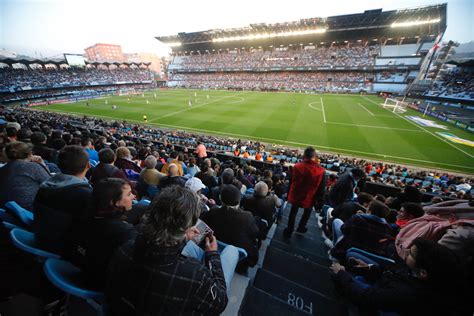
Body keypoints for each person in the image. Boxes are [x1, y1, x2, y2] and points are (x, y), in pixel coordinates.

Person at [106, 186, 233, 315]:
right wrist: (213, 256)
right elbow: (220, 302)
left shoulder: (125, 249)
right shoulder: (195, 274)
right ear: (186, 226)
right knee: (231, 252)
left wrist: (183, 238)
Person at [330, 238, 470, 315]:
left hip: (375, 301)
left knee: (336, 275)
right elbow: (396, 273)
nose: (407, 252)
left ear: (423, 273)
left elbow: (366, 297)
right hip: (382, 289)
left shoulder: (409, 294)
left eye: (411, 254)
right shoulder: (417, 274)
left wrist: (342, 273)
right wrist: (370, 268)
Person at [67, 178, 137, 288]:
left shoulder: (83, 214)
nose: (133, 197)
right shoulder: (124, 231)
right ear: (113, 202)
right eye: (129, 194)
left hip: (75, 267)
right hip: (98, 283)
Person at [33, 145, 93, 254]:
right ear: (88, 165)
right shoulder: (86, 195)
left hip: (40, 238)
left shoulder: (46, 184)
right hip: (62, 249)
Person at [202, 185, 260, 269]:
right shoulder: (248, 217)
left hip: (214, 247)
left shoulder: (213, 211)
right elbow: (255, 233)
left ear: (221, 199)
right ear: (238, 200)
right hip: (233, 254)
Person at [284, 147, 326, 238]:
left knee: (293, 212)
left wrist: (288, 194)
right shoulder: (321, 171)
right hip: (310, 197)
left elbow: (291, 182)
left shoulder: (297, 166)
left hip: (296, 195)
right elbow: (321, 189)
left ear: (304, 155)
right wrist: (320, 202)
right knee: (307, 212)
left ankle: (289, 230)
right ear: (314, 157)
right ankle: (301, 227)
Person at [0, 141, 51, 210]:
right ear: (30, 154)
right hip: (30, 211)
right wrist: (42, 164)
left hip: (6, 212)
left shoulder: (2, 169)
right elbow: (51, 185)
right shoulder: (33, 166)